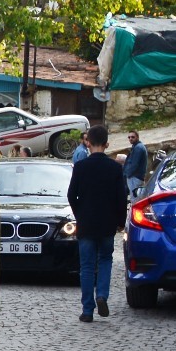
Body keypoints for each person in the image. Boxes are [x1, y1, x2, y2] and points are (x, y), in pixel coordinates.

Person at [66, 126, 127, 322]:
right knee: (105, 260)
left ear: (88, 142)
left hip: (87, 223)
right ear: (107, 144)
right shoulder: (115, 168)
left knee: (86, 266)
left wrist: (80, 214)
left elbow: (71, 195)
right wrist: (120, 221)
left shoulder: (81, 167)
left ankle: (87, 309)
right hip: (107, 223)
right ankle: (102, 295)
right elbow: (121, 197)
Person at [122, 131, 151, 200]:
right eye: (129, 137)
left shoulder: (138, 148)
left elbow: (134, 164)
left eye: (133, 137)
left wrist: (126, 174)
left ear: (137, 137)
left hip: (135, 178)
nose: (130, 139)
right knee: (137, 197)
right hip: (136, 177)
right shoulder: (136, 147)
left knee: (135, 199)